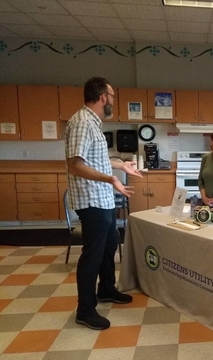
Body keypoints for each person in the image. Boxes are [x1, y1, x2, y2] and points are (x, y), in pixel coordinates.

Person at [65, 77, 143, 330]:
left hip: (103, 199)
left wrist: (120, 165)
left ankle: (106, 288)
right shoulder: (81, 122)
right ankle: (85, 310)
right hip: (91, 201)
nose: (112, 101)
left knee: (110, 245)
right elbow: (75, 165)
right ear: (103, 97)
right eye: (111, 96)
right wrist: (111, 178)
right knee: (93, 254)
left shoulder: (93, 123)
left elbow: (95, 159)